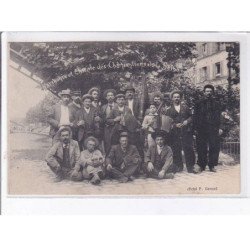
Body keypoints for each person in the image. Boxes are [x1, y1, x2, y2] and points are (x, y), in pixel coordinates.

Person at [193, 84, 223, 172]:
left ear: (212, 92)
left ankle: (212, 165)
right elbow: (195, 116)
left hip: (213, 128)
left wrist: (220, 127)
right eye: (207, 91)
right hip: (201, 128)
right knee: (201, 147)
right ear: (204, 92)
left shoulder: (216, 103)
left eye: (210, 91)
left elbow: (220, 116)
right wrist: (195, 129)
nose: (208, 93)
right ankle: (201, 165)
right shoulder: (198, 103)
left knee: (214, 146)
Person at [166, 90, 196, 173]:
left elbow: (191, 117)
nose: (176, 98)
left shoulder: (185, 108)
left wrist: (187, 121)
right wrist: (175, 125)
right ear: (172, 99)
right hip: (175, 133)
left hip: (186, 131)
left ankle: (190, 167)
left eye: (178, 97)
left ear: (180, 98)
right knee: (176, 149)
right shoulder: (169, 110)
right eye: (175, 97)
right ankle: (178, 166)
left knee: (188, 148)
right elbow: (167, 122)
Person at [100, 89, 117, 154]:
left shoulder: (117, 106)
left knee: (115, 142)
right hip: (107, 128)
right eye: (108, 95)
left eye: (111, 95)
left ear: (114, 97)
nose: (110, 97)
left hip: (116, 127)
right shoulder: (103, 107)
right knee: (107, 143)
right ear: (106, 97)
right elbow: (102, 118)